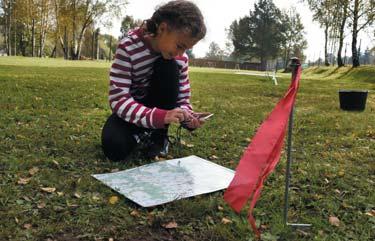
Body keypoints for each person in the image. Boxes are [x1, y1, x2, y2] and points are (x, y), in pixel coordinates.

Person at [101, 0, 207, 161]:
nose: (181, 54)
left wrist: (188, 117)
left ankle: (158, 137)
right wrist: (157, 116)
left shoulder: (180, 59)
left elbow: (182, 99)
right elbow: (118, 99)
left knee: (169, 67)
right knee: (113, 146)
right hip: (132, 112)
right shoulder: (128, 47)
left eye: (186, 49)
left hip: (160, 113)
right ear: (162, 28)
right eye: (180, 46)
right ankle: (142, 134)